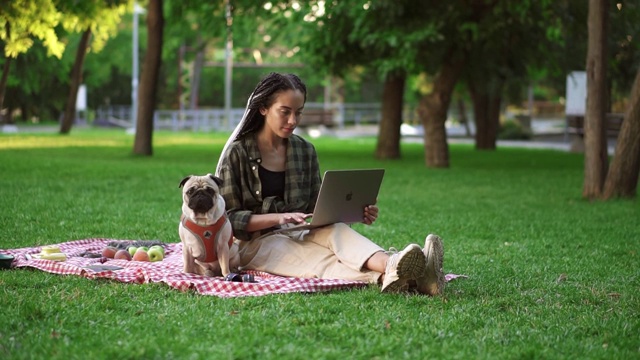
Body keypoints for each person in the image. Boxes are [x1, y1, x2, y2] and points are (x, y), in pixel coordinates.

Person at [215, 72, 444, 295]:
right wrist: (278, 218)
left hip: (300, 229)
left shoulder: (304, 151)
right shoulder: (237, 153)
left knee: (337, 230)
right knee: (318, 260)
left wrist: (353, 210)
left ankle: (392, 263)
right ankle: (413, 276)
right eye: (285, 112)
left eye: (298, 112)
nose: (293, 120)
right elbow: (230, 220)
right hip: (254, 243)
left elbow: (317, 205)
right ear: (263, 108)